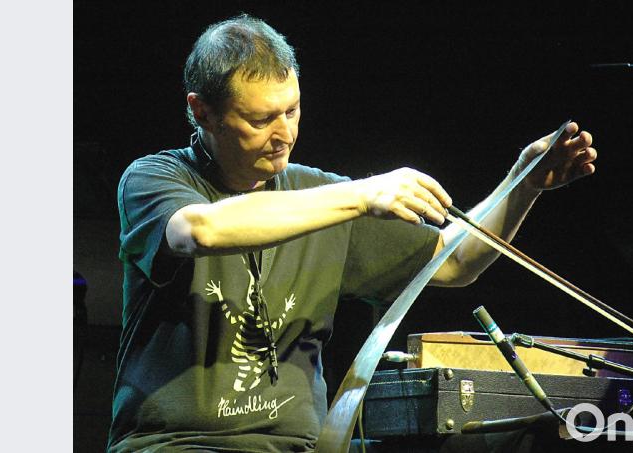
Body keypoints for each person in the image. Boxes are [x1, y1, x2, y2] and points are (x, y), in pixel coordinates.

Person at [107, 14, 597, 453]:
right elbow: (199, 230)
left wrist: (522, 184)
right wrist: (362, 195)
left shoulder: (321, 195)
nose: (284, 135)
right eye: (260, 119)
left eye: (291, 111)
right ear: (202, 112)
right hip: (179, 444)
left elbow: (454, 261)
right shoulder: (155, 178)